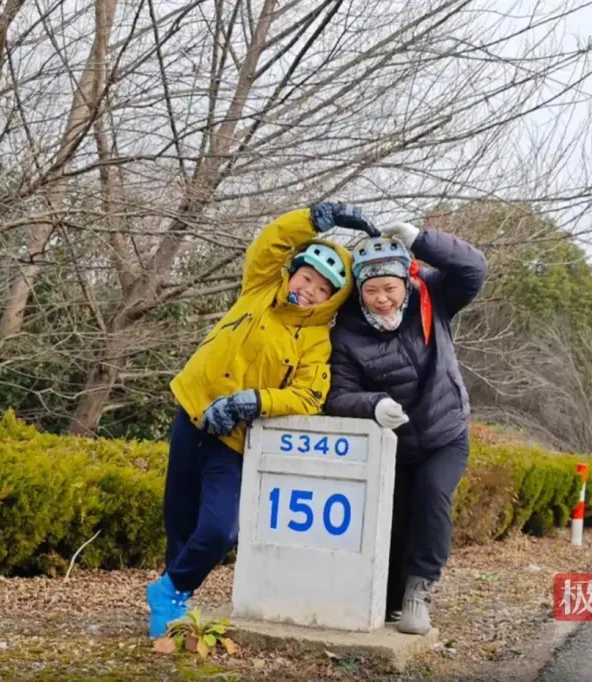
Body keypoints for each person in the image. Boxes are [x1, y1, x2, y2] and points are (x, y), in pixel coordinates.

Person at [146, 202, 379, 639]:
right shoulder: (260, 287)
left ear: (333, 299)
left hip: (232, 439)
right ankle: (174, 601)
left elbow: (309, 396)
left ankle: (169, 589)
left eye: (323, 288)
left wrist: (251, 402)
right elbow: (271, 240)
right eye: (307, 277)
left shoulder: (316, 340)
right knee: (179, 517)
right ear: (294, 272)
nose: (310, 290)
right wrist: (318, 217)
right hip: (191, 409)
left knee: (219, 529)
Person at [323, 220, 488, 635]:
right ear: (358, 289)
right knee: (390, 517)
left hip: (444, 434)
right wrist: (373, 404)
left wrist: (421, 239)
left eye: (390, 288)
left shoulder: (432, 296)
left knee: (431, 498)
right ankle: (389, 598)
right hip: (392, 444)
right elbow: (337, 395)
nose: (382, 299)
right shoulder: (346, 333)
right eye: (372, 290)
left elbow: (474, 270)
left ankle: (419, 592)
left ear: (405, 280)